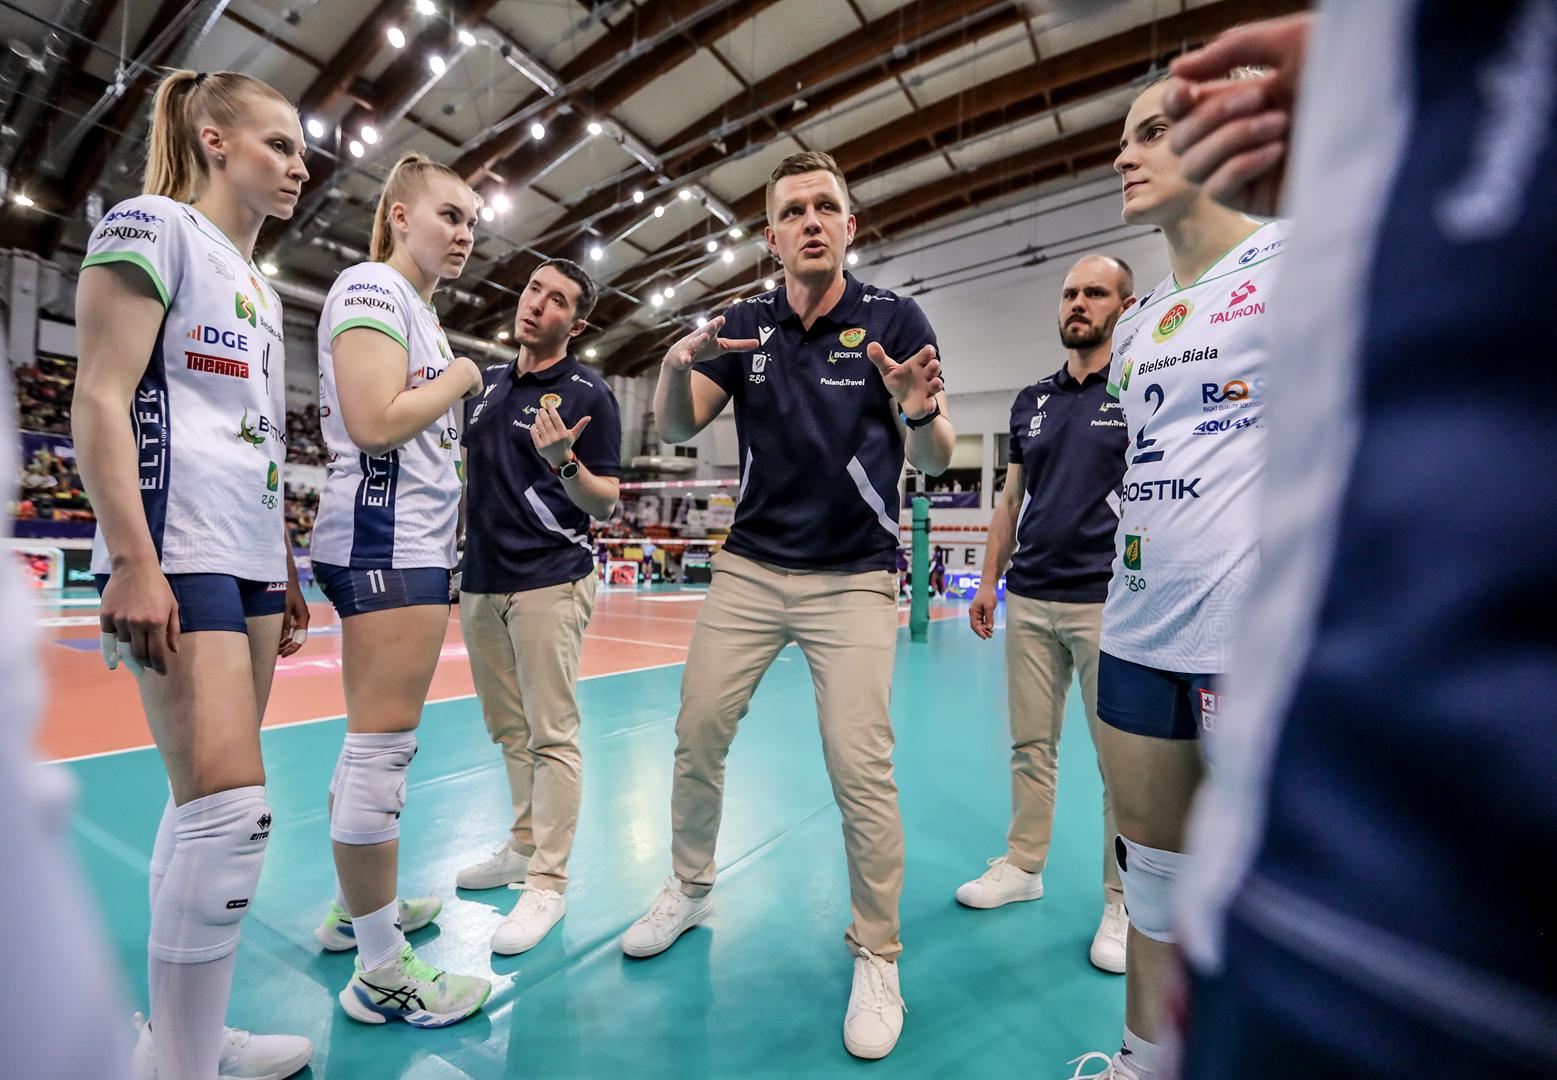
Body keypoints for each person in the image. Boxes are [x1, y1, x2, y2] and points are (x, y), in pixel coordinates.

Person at [1152, 8, 1556, 1078]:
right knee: (1162, 858)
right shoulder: (1158, 316)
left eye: (1152, 131)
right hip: (1319, 849)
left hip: (1405, 853)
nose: (1131, 154)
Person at [621, 149, 953, 1061]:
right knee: (696, 732)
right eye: (793, 210)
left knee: (859, 767)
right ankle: (690, 888)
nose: (811, 220)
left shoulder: (894, 319)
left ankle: (876, 952)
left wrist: (915, 411)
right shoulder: (745, 325)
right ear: (770, 237)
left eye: (825, 206)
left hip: (853, 575)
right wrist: (674, 363)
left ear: (849, 226)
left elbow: (933, 459)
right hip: (751, 568)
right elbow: (678, 425)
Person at [70, 68, 314, 1079]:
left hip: (249, 557)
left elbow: (255, 439)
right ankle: (181, 1065)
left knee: (196, 808)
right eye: (279, 145)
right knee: (230, 817)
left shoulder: (259, 285)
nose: (299, 166)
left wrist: (286, 564)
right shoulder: (152, 225)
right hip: (176, 550)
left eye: (301, 151)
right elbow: (99, 396)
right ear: (214, 140)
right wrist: (132, 557)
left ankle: (185, 1042)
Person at [1066, 70, 1289, 1080]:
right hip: (1137, 635)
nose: (1124, 153)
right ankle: (1140, 1062)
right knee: (1152, 886)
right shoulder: (1138, 321)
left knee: (1275, 902)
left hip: (1254, 649)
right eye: (1125, 136)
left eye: (1152, 131)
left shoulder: (1299, 264)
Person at [308, 153, 491, 1028]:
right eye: (450, 215)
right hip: (386, 544)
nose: (464, 235)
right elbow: (374, 421)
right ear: (399, 215)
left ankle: (357, 912)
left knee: (368, 751)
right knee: (381, 754)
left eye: (472, 223)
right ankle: (382, 970)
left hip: (403, 544)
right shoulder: (374, 288)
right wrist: (463, 377)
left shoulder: (414, 309)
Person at [961, 254, 1135, 974]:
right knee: (1030, 746)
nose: (1078, 303)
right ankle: (1023, 865)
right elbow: (1010, 500)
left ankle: (1124, 901)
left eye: (1094, 293)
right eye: (1069, 294)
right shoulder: (1030, 399)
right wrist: (987, 581)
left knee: (1120, 763)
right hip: (1030, 597)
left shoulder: (1138, 388)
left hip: (1108, 603)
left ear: (1124, 307)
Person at [455, 258, 621, 957]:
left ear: (575, 325)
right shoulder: (488, 388)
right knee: (508, 730)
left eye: (556, 301)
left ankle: (548, 882)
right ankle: (522, 846)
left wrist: (564, 462)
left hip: (549, 579)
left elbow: (604, 502)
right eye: (533, 290)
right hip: (480, 581)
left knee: (552, 736)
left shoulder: (589, 394)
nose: (536, 305)